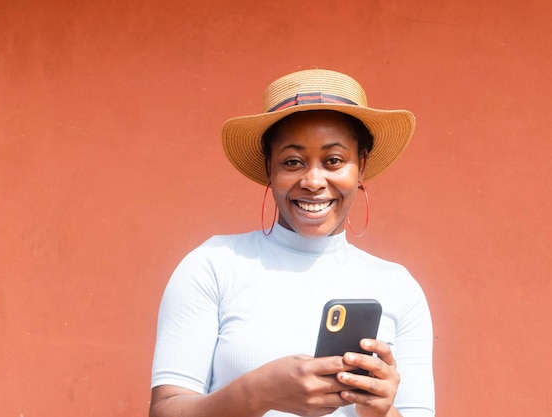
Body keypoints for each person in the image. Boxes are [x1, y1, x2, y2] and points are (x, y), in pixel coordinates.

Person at [148, 69, 435, 417]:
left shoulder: (399, 288)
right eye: (292, 162)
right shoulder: (213, 266)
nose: (313, 181)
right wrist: (258, 391)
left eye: (334, 160)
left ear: (361, 165)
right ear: (269, 167)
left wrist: (378, 411)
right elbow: (164, 412)